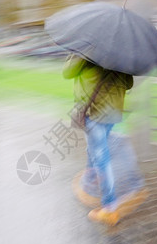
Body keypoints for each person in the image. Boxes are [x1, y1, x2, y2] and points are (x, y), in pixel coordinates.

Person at [63, 54, 148, 226]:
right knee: (96, 149)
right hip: (113, 112)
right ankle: (91, 174)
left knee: (102, 158)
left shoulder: (86, 51)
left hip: (93, 112)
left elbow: (68, 72)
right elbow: (128, 83)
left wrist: (75, 54)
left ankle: (109, 209)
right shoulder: (119, 52)